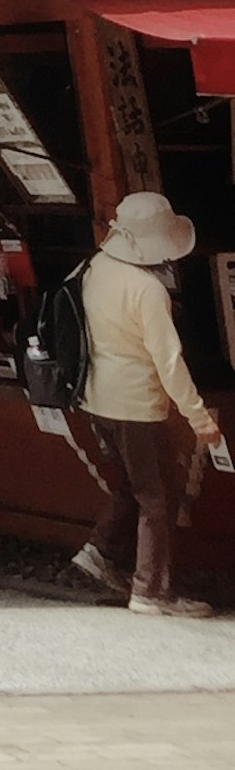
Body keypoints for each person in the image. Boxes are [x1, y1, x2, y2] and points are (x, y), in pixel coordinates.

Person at [72, 190, 223, 616]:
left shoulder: (96, 268)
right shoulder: (147, 289)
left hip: (98, 398)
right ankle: (151, 590)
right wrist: (199, 418)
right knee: (159, 498)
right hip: (137, 404)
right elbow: (168, 360)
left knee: (131, 486)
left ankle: (99, 551)